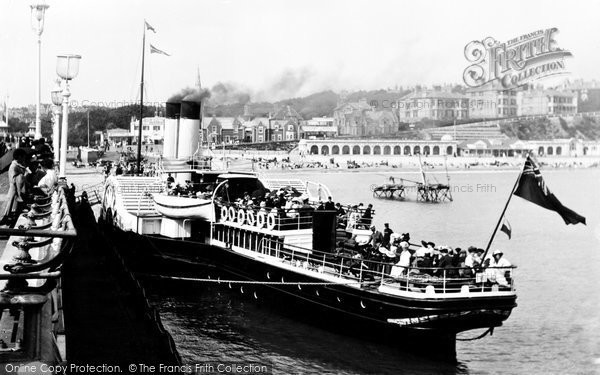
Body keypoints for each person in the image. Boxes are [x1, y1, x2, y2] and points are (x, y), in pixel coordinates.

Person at [0, 149, 28, 225]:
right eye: (23, 157)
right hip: (14, 188)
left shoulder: (19, 165)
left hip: (18, 188)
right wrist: (23, 176)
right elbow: (13, 179)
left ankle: (11, 219)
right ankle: (6, 220)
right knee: (10, 205)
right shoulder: (14, 166)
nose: (24, 159)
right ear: (19, 157)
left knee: (14, 206)